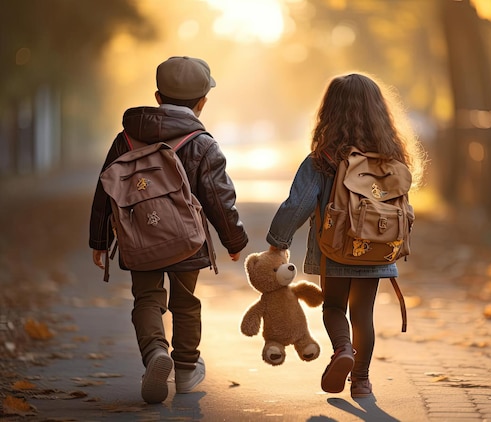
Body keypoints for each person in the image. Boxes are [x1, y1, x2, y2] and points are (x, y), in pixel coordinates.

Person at [89, 56, 249, 404]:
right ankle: (187, 370)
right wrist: (233, 240)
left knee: (146, 299)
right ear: (203, 101)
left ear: (158, 97)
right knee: (186, 303)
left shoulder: (125, 139)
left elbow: (106, 191)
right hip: (186, 242)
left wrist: (100, 240)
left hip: (138, 238)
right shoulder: (202, 143)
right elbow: (219, 198)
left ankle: (155, 354)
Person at [266, 73, 424, 398]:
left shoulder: (322, 160)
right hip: (379, 249)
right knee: (363, 313)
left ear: (329, 112)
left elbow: (298, 204)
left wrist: (277, 243)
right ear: (379, 112)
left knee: (334, 307)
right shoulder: (392, 160)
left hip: (334, 248)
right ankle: (362, 382)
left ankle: (343, 351)